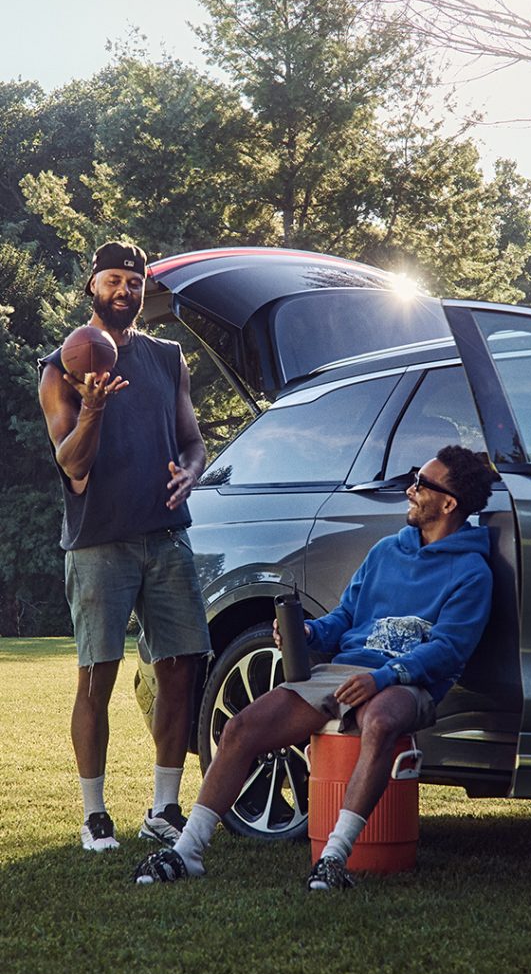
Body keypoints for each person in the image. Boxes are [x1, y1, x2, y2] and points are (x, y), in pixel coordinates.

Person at [134, 444, 497, 891]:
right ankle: (187, 852)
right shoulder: (386, 552)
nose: (410, 490)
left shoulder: (473, 573)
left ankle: (333, 858)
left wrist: (381, 678)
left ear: (448, 503)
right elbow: (345, 617)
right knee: (241, 729)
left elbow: (448, 651)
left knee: (381, 720)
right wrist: (309, 634)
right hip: (346, 673)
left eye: (421, 484)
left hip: (407, 682)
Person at [38, 241, 211, 853]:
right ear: (93, 286)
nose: (125, 292)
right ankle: (94, 816)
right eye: (113, 280)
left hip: (166, 538)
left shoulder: (167, 357)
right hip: (98, 544)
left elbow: (192, 441)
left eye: (134, 283)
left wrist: (192, 472)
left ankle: (165, 808)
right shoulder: (62, 363)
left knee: (181, 668)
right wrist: (91, 409)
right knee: (96, 678)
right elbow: (73, 468)